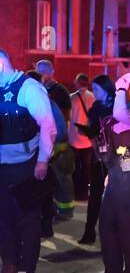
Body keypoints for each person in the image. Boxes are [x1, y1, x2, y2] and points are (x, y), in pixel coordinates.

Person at [0, 49, 57, 273]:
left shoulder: (29, 88)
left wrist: (43, 159)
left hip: (27, 166)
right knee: (3, 221)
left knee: (29, 221)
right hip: (3, 167)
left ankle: (26, 270)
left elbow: (48, 126)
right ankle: (10, 266)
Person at [95, 72, 130, 273]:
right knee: (107, 223)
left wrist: (119, 88)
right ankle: (113, 272)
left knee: (126, 223)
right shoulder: (119, 114)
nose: (125, 91)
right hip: (117, 173)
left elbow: (120, 113)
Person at [75, 76, 115, 245]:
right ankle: (89, 231)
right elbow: (93, 128)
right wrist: (89, 134)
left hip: (114, 157)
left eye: (97, 89)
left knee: (113, 196)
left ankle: (111, 233)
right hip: (98, 155)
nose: (94, 92)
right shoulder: (96, 106)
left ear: (106, 90)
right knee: (95, 195)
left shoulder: (117, 107)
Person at [35, 60, 75, 224]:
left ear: (52, 71)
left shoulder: (59, 91)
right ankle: (56, 208)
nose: (43, 73)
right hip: (50, 141)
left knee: (62, 178)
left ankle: (66, 210)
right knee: (54, 179)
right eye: (40, 70)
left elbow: (65, 116)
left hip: (58, 141)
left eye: (45, 70)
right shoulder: (41, 92)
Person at [69, 73, 94, 201]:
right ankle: (84, 193)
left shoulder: (72, 98)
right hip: (88, 140)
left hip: (74, 138)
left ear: (78, 83)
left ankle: (74, 192)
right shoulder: (93, 97)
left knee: (73, 167)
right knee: (86, 168)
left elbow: (69, 117)